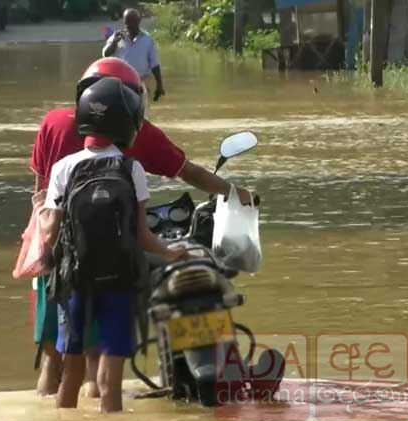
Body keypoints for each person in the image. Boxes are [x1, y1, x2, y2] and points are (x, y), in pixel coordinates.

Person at [29, 57, 255, 398]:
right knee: (102, 369)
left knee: (54, 359)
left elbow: (39, 196)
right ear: (130, 103)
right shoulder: (136, 144)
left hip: (61, 262)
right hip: (115, 266)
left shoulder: (54, 125)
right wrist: (239, 194)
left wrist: (46, 230)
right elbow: (186, 175)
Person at [39, 72, 186, 412]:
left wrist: (41, 209)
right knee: (111, 379)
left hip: (76, 279)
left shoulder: (64, 168)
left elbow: (49, 232)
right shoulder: (131, 168)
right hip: (120, 280)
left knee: (72, 369)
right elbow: (143, 236)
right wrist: (171, 253)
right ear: (126, 122)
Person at [102, 9, 165, 102]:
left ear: (139, 21)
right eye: (127, 22)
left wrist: (159, 85)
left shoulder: (147, 40)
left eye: (133, 21)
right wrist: (114, 43)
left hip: (140, 83)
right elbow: (105, 56)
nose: (129, 25)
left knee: (142, 113)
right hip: (121, 85)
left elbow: (155, 65)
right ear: (124, 21)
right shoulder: (116, 37)